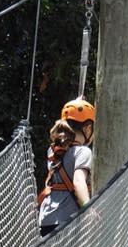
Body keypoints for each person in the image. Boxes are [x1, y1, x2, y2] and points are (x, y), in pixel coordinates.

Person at [37, 99, 95, 237]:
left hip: (46, 219)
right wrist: (88, 208)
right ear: (88, 129)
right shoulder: (83, 152)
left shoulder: (53, 151)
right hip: (66, 221)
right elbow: (78, 181)